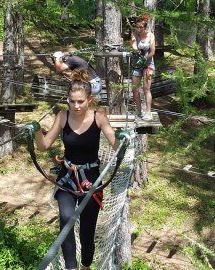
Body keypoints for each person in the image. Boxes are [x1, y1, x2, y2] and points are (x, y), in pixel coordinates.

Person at [26, 69, 128, 270]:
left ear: (89, 99)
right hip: (67, 178)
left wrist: (122, 139)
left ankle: (86, 266)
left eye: (80, 101)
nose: (76, 106)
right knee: (66, 220)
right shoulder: (63, 116)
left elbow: (114, 142)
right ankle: (70, 267)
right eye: (72, 101)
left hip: (91, 179)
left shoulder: (99, 116)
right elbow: (44, 145)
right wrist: (37, 131)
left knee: (87, 231)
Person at [131, 15, 156, 121]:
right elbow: (133, 44)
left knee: (146, 89)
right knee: (135, 88)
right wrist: (137, 51)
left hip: (148, 65)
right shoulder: (134, 33)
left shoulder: (151, 36)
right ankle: (138, 111)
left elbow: (152, 51)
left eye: (141, 27)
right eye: (137, 27)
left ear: (145, 27)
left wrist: (145, 59)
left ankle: (148, 112)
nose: (139, 29)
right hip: (137, 64)